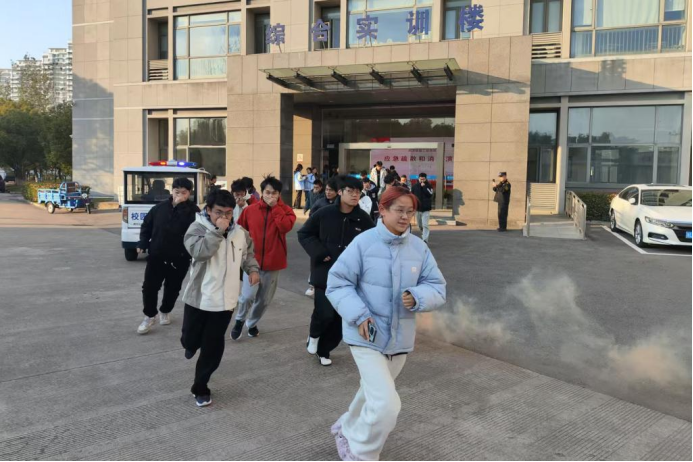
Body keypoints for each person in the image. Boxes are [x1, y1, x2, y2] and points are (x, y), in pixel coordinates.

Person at [326, 186, 446, 461]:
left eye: (410, 212)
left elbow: (437, 288)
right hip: (365, 336)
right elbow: (337, 283)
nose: (405, 217)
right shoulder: (363, 243)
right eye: (399, 210)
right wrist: (359, 316)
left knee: (371, 393)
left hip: (400, 340)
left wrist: (417, 296)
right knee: (386, 405)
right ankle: (361, 452)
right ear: (382, 210)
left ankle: (347, 426)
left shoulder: (419, 248)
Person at [180, 189, 260, 407]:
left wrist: (253, 270)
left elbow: (248, 255)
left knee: (213, 347)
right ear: (208, 210)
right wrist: (217, 231)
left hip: (225, 303)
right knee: (189, 338)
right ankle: (190, 344)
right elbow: (200, 253)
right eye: (218, 212)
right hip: (199, 299)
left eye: (228, 213)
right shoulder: (197, 229)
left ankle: (200, 387)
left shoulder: (240, 233)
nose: (224, 217)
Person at [298, 175, 375, 366]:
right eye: (350, 191)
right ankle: (314, 335)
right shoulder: (324, 214)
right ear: (340, 192)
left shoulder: (363, 219)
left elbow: (373, 245)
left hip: (350, 279)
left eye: (358, 192)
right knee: (324, 313)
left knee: (341, 320)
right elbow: (304, 233)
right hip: (325, 273)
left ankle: (324, 350)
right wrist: (319, 252)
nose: (355, 195)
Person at [231, 175, 296, 340]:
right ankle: (239, 320)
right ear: (262, 192)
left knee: (264, 299)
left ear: (279, 194)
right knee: (247, 296)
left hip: (273, 262)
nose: (270, 196)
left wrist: (275, 208)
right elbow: (239, 231)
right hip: (251, 261)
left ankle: (252, 323)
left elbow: (285, 227)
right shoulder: (250, 211)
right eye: (267, 192)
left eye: (274, 193)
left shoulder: (286, 211)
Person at [136, 178, 200, 334]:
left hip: (180, 257)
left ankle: (165, 310)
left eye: (184, 192)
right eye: (177, 192)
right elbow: (146, 225)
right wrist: (143, 242)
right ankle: (150, 315)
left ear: (189, 193)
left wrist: (181, 207)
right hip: (157, 255)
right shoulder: (159, 208)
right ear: (172, 191)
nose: (180, 195)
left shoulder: (194, 211)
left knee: (173, 288)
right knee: (149, 287)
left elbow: (198, 232)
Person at [411, 173, 434, 244]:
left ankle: (425, 240)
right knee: (420, 225)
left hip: (426, 209)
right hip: (418, 209)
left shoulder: (429, 186)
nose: (422, 180)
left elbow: (430, 194)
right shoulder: (415, 186)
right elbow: (412, 196)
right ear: (418, 178)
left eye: (423, 179)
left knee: (425, 225)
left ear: (426, 179)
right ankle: (423, 233)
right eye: (421, 179)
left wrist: (424, 187)